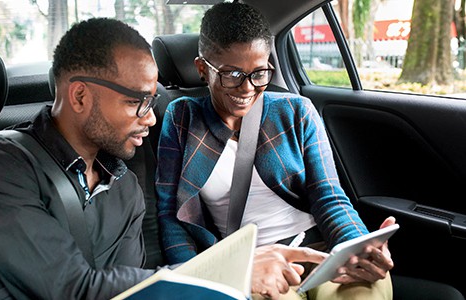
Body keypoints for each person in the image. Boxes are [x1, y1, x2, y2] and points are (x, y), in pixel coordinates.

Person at [155, 2, 395, 300]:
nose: (247, 88)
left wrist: (358, 247)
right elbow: (171, 214)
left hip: (320, 250)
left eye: (260, 73)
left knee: (365, 292)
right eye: (231, 74)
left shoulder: (296, 111)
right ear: (203, 68)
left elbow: (330, 197)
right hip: (251, 265)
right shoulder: (182, 119)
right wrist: (194, 277)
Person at [0, 18, 161, 299]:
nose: (151, 118)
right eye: (136, 102)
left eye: (152, 102)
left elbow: (130, 292)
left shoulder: (125, 188)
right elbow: (71, 289)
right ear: (80, 96)